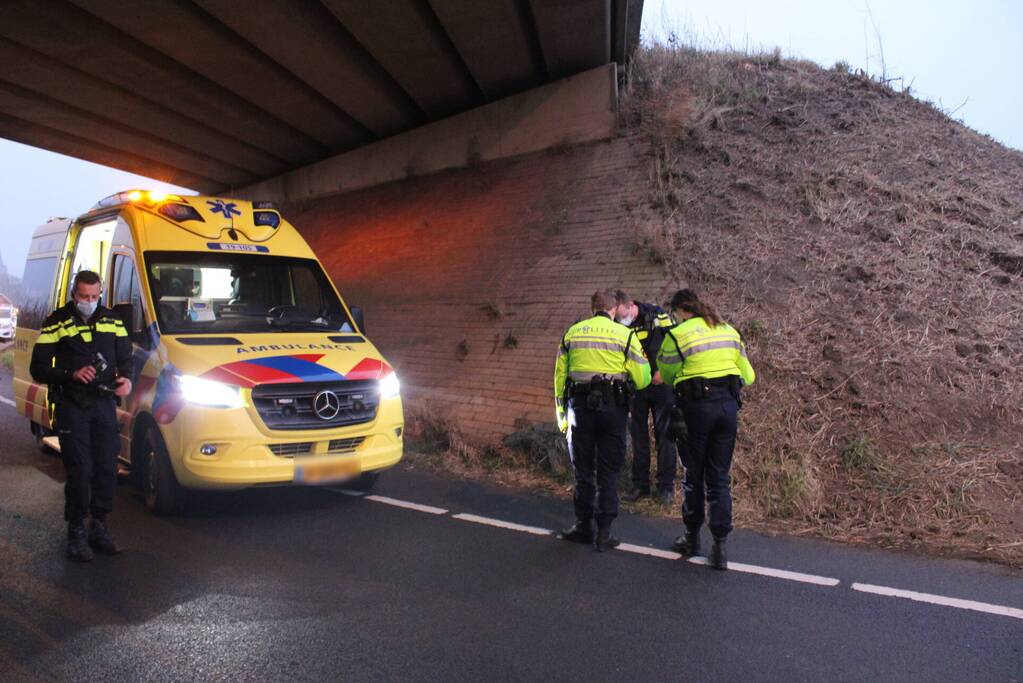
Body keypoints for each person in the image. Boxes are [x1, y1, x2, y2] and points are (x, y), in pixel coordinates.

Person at [30, 270, 133, 562]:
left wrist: (126, 379)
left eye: (94, 296)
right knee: (80, 470)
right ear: (74, 294)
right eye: (83, 296)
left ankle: (98, 527)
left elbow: (125, 359)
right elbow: (38, 369)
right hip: (72, 405)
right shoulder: (56, 321)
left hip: (103, 404)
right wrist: (70, 374)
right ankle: (76, 531)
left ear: (100, 293)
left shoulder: (114, 321)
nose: (89, 301)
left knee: (105, 469)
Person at [656, 289, 755, 570]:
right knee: (719, 478)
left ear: (679, 311)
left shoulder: (677, 335)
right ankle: (720, 546)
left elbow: (669, 375)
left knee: (693, 476)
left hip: (695, 410)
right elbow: (748, 375)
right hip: (727, 409)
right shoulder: (728, 330)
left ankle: (691, 537)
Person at [554, 289, 651, 551]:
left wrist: (562, 414)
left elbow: (559, 378)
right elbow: (643, 378)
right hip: (612, 409)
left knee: (583, 470)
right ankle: (604, 532)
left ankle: (583, 526)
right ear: (614, 308)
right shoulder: (625, 334)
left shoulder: (572, 333)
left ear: (592, 307)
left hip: (580, 408)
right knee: (608, 472)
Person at [613, 290, 677, 504]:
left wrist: (664, 371)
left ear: (631, 305)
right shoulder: (619, 326)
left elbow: (676, 344)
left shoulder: (658, 316)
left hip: (661, 384)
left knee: (665, 436)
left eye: (622, 314)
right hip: (636, 387)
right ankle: (640, 485)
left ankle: (666, 487)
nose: (621, 320)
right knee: (639, 436)